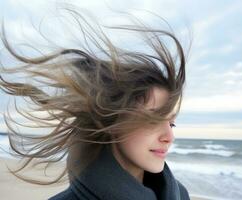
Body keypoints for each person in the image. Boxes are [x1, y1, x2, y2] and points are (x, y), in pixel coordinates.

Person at [0, 6, 190, 200]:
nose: (169, 136)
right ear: (112, 121)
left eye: (171, 123)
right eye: (152, 119)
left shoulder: (181, 196)